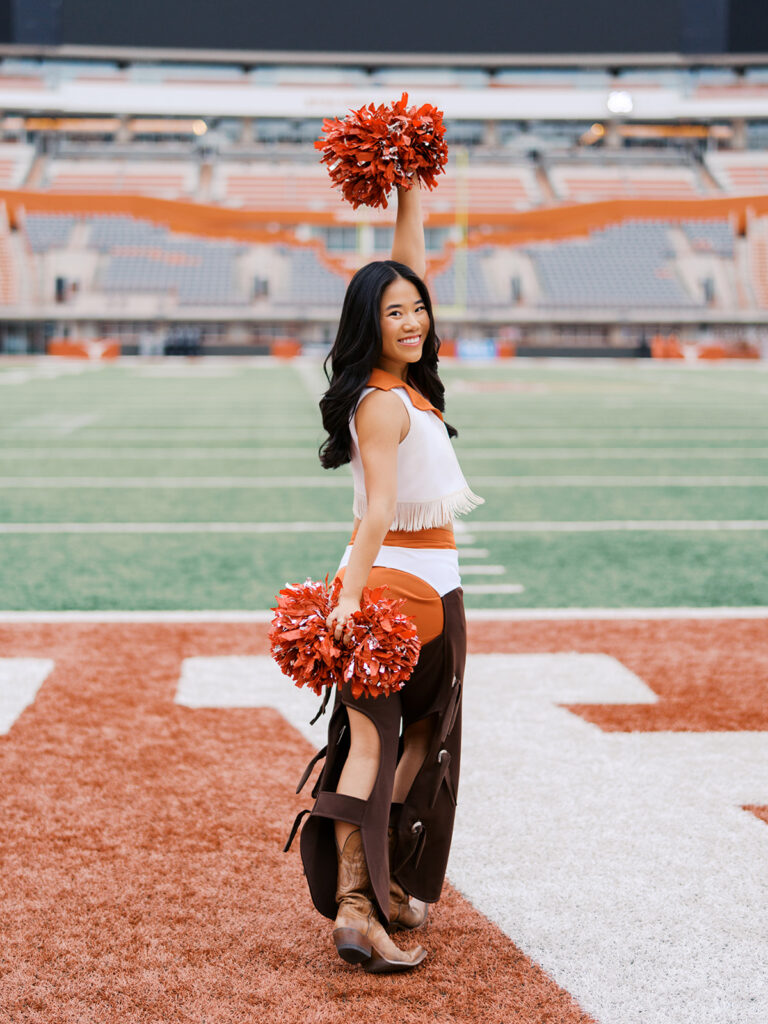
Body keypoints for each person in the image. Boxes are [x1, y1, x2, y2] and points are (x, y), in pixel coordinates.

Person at [285, 179, 483, 973]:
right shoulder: (378, 402)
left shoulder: (406, 385)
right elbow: (374, 514)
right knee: (369, 748)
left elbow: (411, 266)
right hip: (392, 596)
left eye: (417, 309)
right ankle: (359, 910)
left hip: (433, 591)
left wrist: (407, 193)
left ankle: (385, 887)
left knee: (424, 739)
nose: (411, 321)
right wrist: (352, 602)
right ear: (368, 327)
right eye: (393, 313)